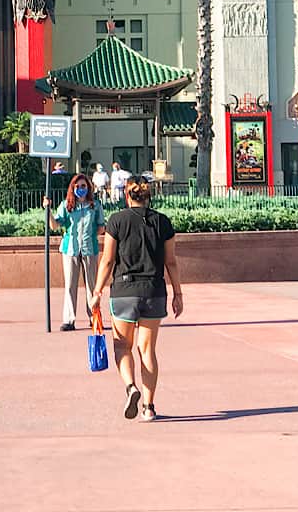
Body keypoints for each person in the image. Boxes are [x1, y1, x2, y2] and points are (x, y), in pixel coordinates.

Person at [91, 176, 183, 422]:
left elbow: (108, 260)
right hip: (153, 290)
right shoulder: (162, 222)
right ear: (149, 195)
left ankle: (131, 386)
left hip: (124, 291)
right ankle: (149, 406)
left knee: (122, 346)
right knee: (147, 350)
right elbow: (170, 261)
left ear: (126, 195)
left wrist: (97, 292)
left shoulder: (117, 221)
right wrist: (178, 293)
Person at [43, 174, 105, 331]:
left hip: (90, 249)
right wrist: (48, 210)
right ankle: (69, 319)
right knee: (70, 284)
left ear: (88, 188)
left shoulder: (95, 206)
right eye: (77, 187)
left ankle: (94, 317)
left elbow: (101, 226)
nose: (81, 189)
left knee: (92, 286)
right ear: (72, 188)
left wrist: (92, 235)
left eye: (83, 186)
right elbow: (55, 225)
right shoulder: (66, 205)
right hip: (70, 249)